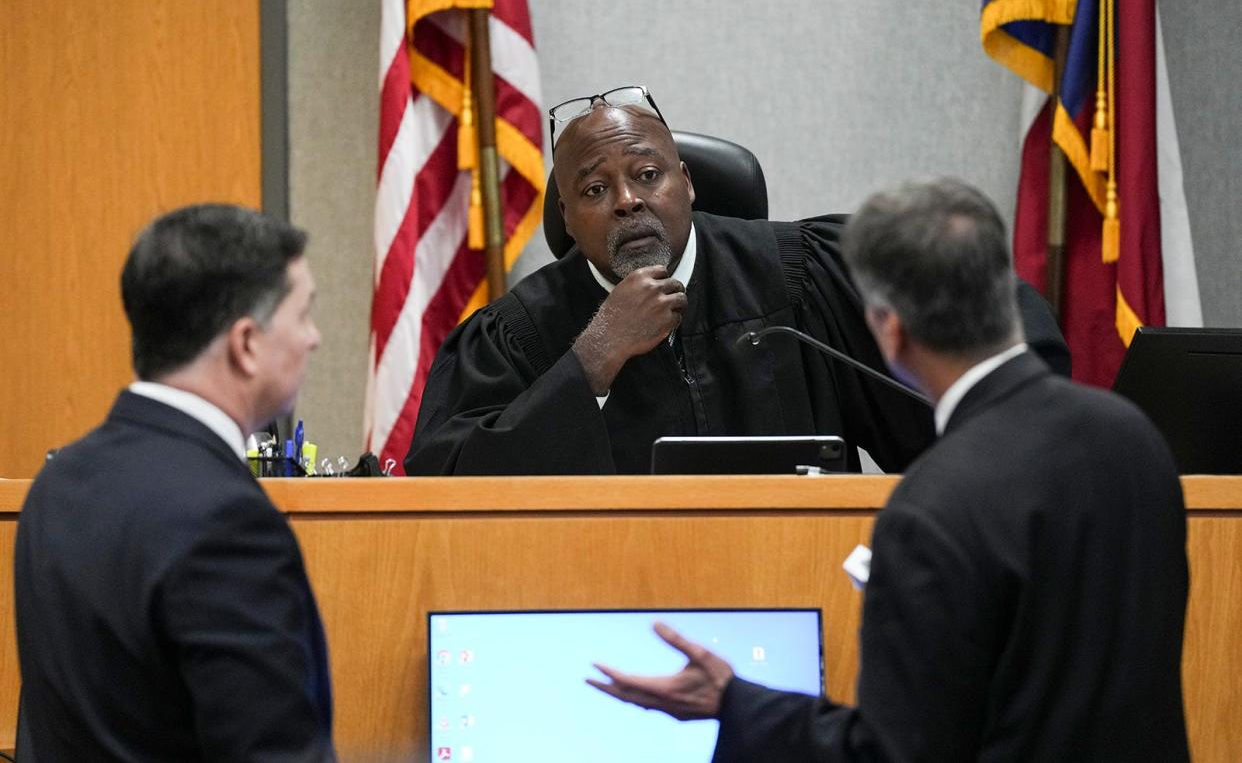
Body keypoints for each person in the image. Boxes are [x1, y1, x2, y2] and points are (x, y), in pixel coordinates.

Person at [587, 178, 1190, 761]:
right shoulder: (1134, 437)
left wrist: (734, 704)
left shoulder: (934, 507)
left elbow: (896, 753)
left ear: (890, 332)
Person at [406, 87, 1069, 475]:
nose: (628, 202)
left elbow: (987, 317)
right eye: (595, 189)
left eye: (647, 175)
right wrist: (595, 356)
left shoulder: (801, 276)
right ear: (567, 220)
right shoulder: (523, 333)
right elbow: (447, 480)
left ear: (688, 184)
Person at [14, 205, 336, 761]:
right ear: (246, 344)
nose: (315, 339)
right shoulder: (228, 522)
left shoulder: (57, 485)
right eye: (303, 314)